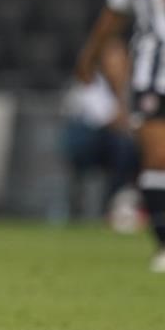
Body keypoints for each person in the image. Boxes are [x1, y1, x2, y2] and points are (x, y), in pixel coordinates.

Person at [76, 0, 165, 273]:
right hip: (152, 72)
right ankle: (164, 243)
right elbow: (113, 16)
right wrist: (90, 56)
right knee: (157, 158)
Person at [59, 36, 140, 223]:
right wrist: (120, 88)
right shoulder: (89, 83)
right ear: (101, 63)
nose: (117, 64)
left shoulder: (135, 85)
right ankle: (111, 203)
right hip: (84, 144)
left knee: (136, 149)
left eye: (121, 58)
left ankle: (129, 201)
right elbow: (114, 121)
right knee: (123, 145)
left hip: (113, 145)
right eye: (111, 59)